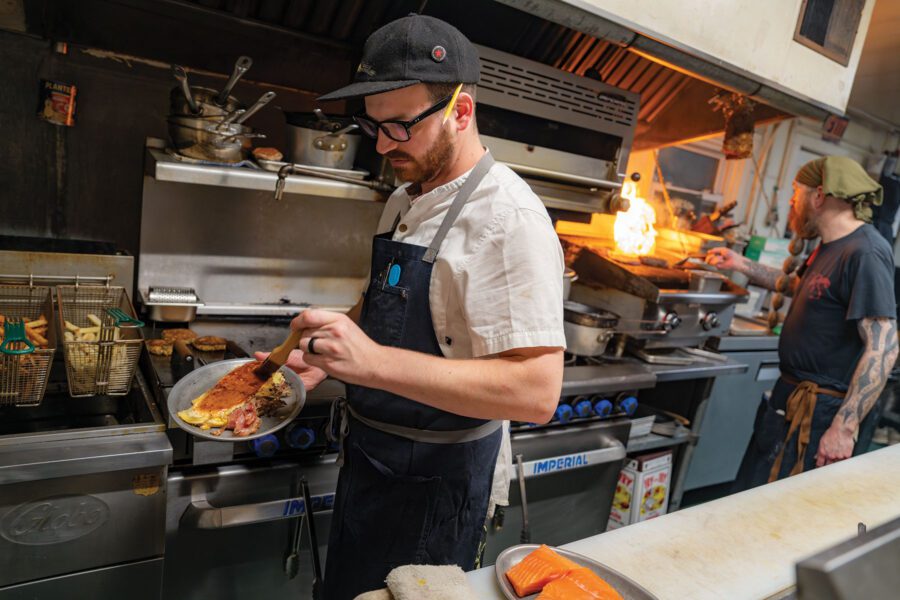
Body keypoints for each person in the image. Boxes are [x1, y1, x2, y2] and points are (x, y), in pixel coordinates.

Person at [256, 14, 565, 599]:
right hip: (371, 462)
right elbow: (389, 301)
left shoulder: (509, 220)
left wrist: (370, 364)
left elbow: (536, 392)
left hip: (436, 490)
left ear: (461, 112)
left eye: (400, 126)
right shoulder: (405, 196)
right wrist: (332, 347)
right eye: (373, 126)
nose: (381, 145)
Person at [706, 156, 898, 490]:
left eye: (797, 192)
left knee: (781, 513)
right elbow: (802, 288)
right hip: (789, 400)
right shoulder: (829, 247)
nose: (793, 201)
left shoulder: (865, 252)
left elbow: (883, 348)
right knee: (750, 498)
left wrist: (844, 428)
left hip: (821, 414)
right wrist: (741, 263)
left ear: (819, 195)